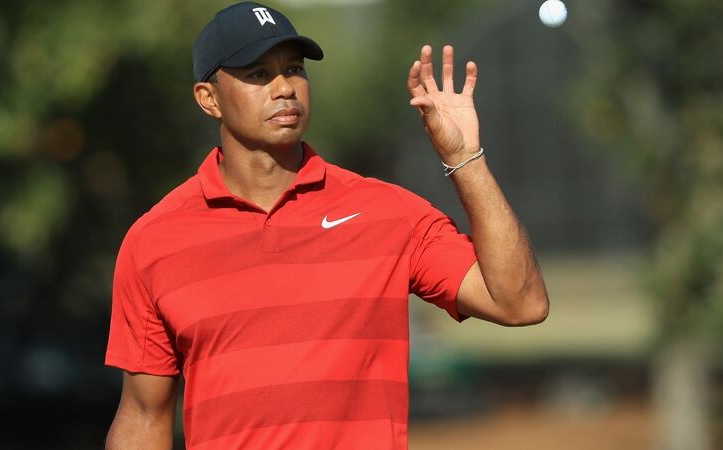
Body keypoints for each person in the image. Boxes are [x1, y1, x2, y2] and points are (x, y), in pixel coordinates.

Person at [104, 2, 548, 449]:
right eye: (258, 74)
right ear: (209, 98)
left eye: (294, 69)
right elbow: (143, 416)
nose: (284, 88)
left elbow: (520, 303)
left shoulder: (388, 212)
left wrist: (465, 158)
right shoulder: (152, 241)